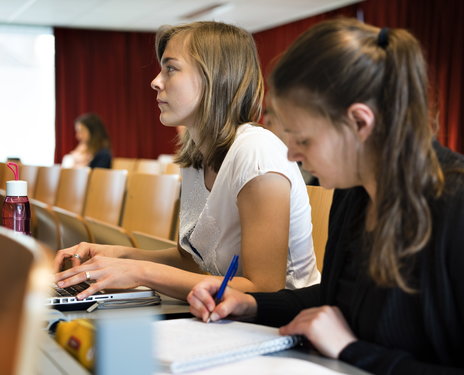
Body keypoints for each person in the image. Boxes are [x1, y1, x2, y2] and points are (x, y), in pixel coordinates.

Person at [187, 18, 464, 374]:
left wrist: (351, 349)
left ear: (359, 123)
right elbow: (334, 301)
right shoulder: (353, 192)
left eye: (303, 140)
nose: (293, 155)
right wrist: (252, 305)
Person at [53, 21, 320, 301]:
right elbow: (197, 260)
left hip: (280, 324)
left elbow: (265, 289)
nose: (155, 81)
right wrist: (121, 254)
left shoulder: (256, 152)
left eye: (171, 68)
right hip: (217, 313)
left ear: (215, 77)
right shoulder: (196, 154)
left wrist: (141, 271)